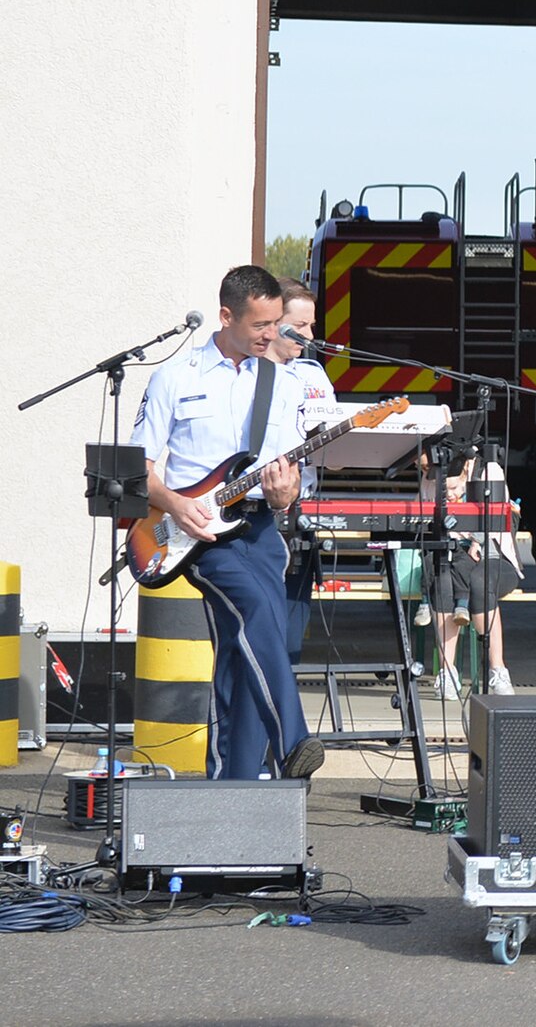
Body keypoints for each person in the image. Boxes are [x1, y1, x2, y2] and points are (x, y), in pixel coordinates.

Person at [132, 265, 325, 781]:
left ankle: (234, 784)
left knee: (248, 651)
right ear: (226, 315)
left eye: (277, 324)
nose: (273, 335)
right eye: (261, 325)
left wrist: (287, 493)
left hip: (260, 529)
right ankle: (294, 739)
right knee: (260, 610)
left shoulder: (280, 382)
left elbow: (287, 469)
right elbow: (138, 470)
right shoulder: (176, 376)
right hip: (195, 535)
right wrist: (174, 504)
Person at [269, 278, 337, 662]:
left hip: (301, 513)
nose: (310, 335)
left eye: (312, 325)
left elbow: (335, 453)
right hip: (251, 509)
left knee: (292, 627)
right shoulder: (247, 373)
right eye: (301, 326)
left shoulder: (313, 374)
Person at [418, 449, 522, 698]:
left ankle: (498, 669)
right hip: (454, 558)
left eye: (453, 488)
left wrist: (476, 542)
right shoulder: (430, 478)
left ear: (464, 469)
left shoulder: (489, 471)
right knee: (442, 579)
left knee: (480, 582)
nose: (450, 495)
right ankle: (447, 671)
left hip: (495, 556)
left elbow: (499, 522)